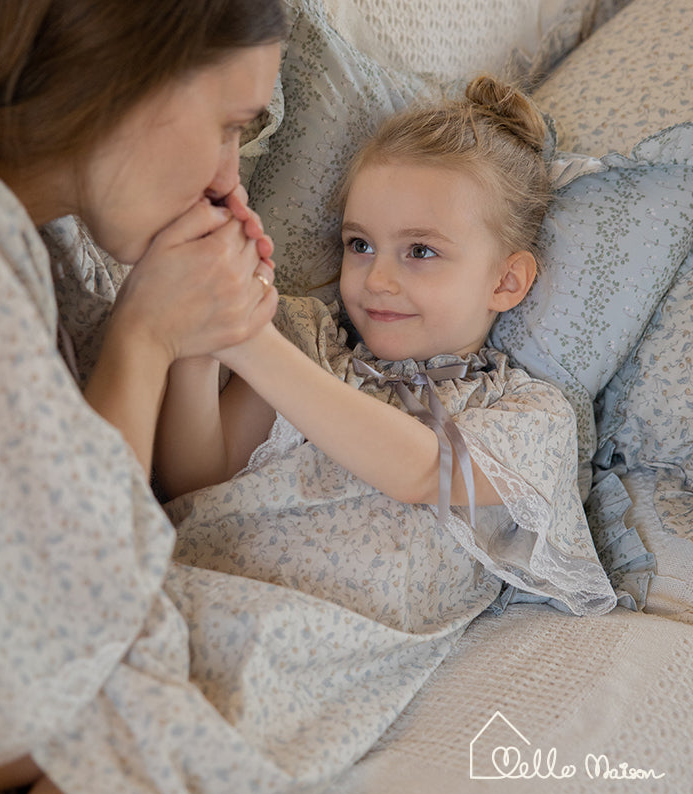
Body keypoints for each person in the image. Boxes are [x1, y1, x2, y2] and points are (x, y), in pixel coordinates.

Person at [0, 1, 285, 794]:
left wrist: (179, 336)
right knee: (135, 698)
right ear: (127, 74)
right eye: (228, 125)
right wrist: (145, 338)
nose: (228, 178)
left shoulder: (31, 229)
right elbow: (83, 612)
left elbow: (99, 513)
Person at [157, 76, 617, 630]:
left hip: (322, 631)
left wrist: (248, 340)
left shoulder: (529, 415)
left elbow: (422, 469)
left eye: (420, 251)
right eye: (361, 244)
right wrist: (201, 345)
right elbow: (195, 482)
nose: (377, 278)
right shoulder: (310, 344)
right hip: (193, 582)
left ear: (506, 282)